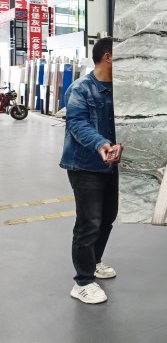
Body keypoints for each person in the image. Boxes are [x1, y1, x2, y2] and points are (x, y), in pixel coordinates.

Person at [60, 37, 123, 304]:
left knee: (107, 217)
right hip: (84, 165)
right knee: (89, 223)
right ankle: (83, 282)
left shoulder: (121, 91)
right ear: (108, 57)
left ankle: (94, 261)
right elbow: (77, 123)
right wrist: (100, 144)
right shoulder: (81, 88)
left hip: (110, 165)